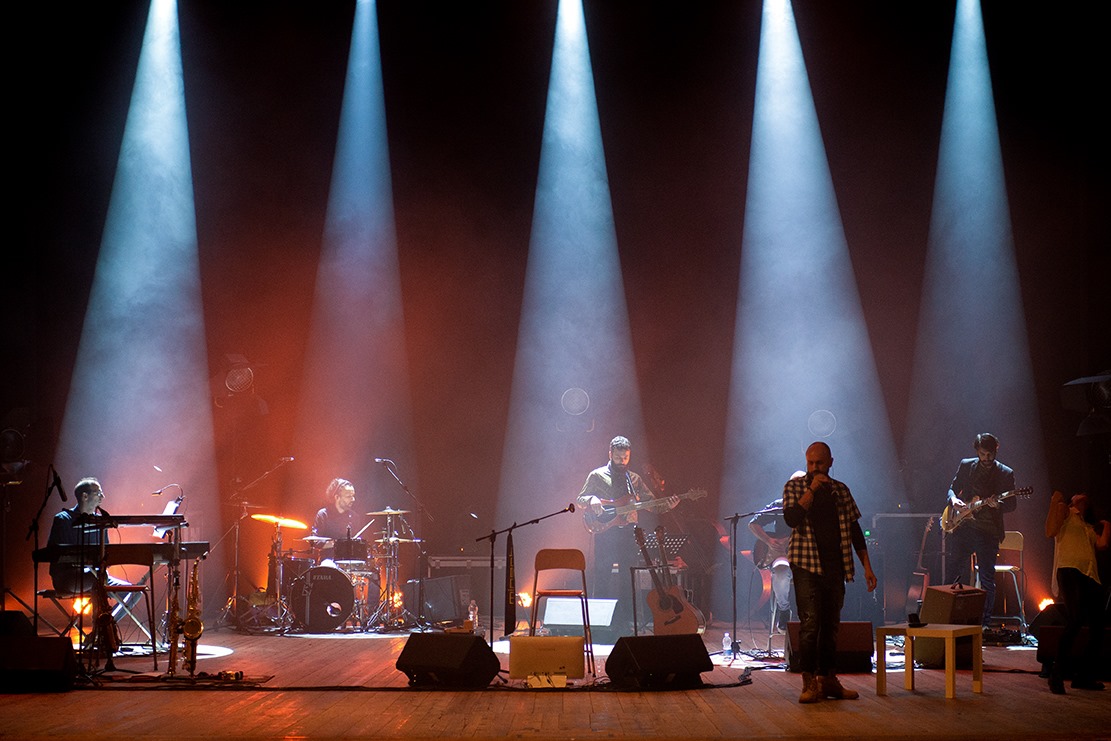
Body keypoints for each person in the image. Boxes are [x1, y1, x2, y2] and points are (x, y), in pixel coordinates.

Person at [783, 441, 877, 703]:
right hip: (806, 564)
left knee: (831, 625)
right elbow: (791, 518)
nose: (814, 468)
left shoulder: (841, 491)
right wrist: (811, 490)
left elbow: (856, 531)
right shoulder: (795, 486)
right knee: (810, 624)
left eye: (819, 463)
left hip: (835, 566)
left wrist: (867, 567)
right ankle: (809, 681)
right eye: (810, 463)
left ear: (831, 462)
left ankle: (828, 679)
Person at [576, 436, 678, 629]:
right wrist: (591, 500)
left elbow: (652, 505)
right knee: (602, 576)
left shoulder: (635, 479)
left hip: (629, 533)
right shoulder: (597, 476)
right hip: (605, 533)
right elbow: (580, 499)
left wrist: (668, 506)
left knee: (629, 577)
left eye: (625, 458)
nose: (622, 461)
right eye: (618, 457)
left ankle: (625, 622)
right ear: (610, 454)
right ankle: (598, 623)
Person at [945, 432, 1018, 626]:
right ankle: (946, 617)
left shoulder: (1005, 473)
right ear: (977, 451)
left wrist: (998, 505)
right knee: (952, 572)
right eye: (983, 454)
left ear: (996, 450)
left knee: (986, 577)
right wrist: (953, 500)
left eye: (990, 454)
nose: (987, 458)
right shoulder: (966, 465)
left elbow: (1012, 505)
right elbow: (952, 488)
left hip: (988, 530)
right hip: (964, 526)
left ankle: (983, 624)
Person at [46, 477, 137, 629]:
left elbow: (105, 553)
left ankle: (105, 626)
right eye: (98, 492)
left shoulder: (101, 521)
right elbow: (56, 554)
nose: (102, 496)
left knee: (134, 592)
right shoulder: (63, 520)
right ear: (84, 496)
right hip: (67, 578)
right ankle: (100, 630)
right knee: (98, 582)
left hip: (96, 576)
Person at [1044, 490, 1110, 693]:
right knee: (1075, 620)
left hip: (1090, 575)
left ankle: (1084, 676)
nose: (1082, 497)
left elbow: (1102, 544)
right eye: (1078, 495)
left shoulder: (1089, 525)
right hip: (1070, 570)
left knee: (1098, 626)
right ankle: (1056, 674)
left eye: (1085, 497)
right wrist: (1054, 503)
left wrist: (1107, 525)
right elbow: (1050, 531)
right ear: (1073, 500)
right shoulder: (1065, 512)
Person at [748, 490, 794, 633]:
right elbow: (753, 524)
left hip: (807, 557)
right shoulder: (780, 506)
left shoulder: (813, 508)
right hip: (783, 555)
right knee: (780, 571)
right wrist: (768, 541)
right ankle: (784, 609)